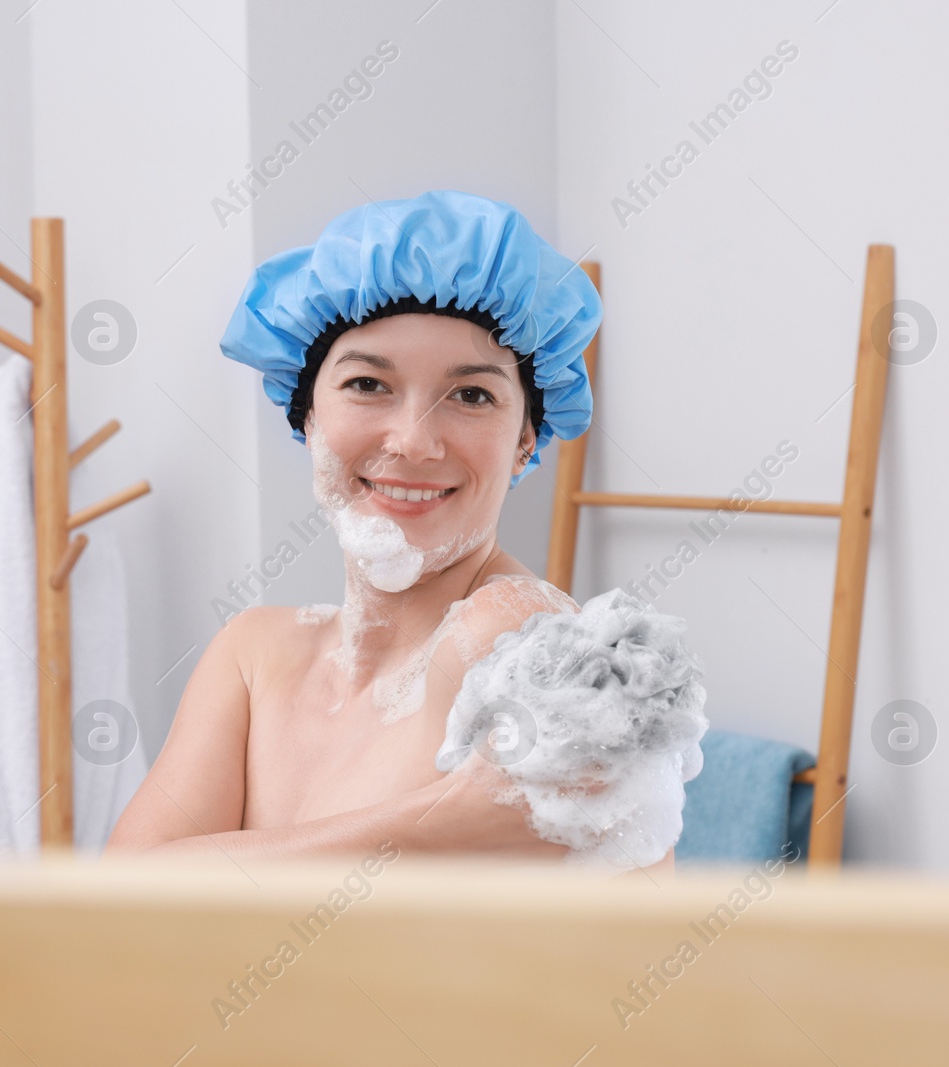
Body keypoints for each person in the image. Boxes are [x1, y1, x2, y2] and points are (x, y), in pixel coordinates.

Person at [107, 190, 673, 873]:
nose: (413, 440)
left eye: (471, 395)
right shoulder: (255, 654)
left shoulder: (519, 635)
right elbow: (123, 895)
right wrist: (436, 824)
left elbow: (636, 954)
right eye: (369, 384)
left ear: (525, 440)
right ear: (307, 414)